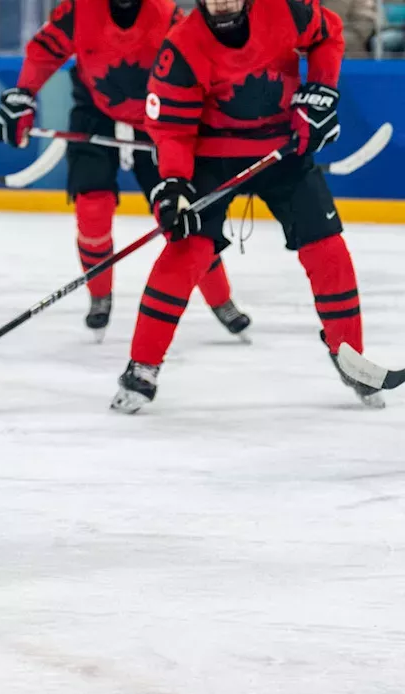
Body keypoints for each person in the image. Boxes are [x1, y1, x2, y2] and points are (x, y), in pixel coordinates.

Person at [111, 0, 384, 411]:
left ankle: (349, 354)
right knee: (187, 250)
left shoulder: (286, 9)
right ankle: (143, 365)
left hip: (284, 149)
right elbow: (171, 129)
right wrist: (173, 185)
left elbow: (327, 34)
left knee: (327, 248)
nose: (222, 2)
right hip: (214, 157)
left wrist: (322, 89)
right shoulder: (182, 46)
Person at [0, 0, 251, 341]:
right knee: (92, 206)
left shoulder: (168, 15)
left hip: (158, 116)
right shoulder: (79, 8)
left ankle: (222, 300)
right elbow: (46, 48)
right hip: (94, 110)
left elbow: (201, 61)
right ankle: (100, 295)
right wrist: (22, 95)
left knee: (179, 215)